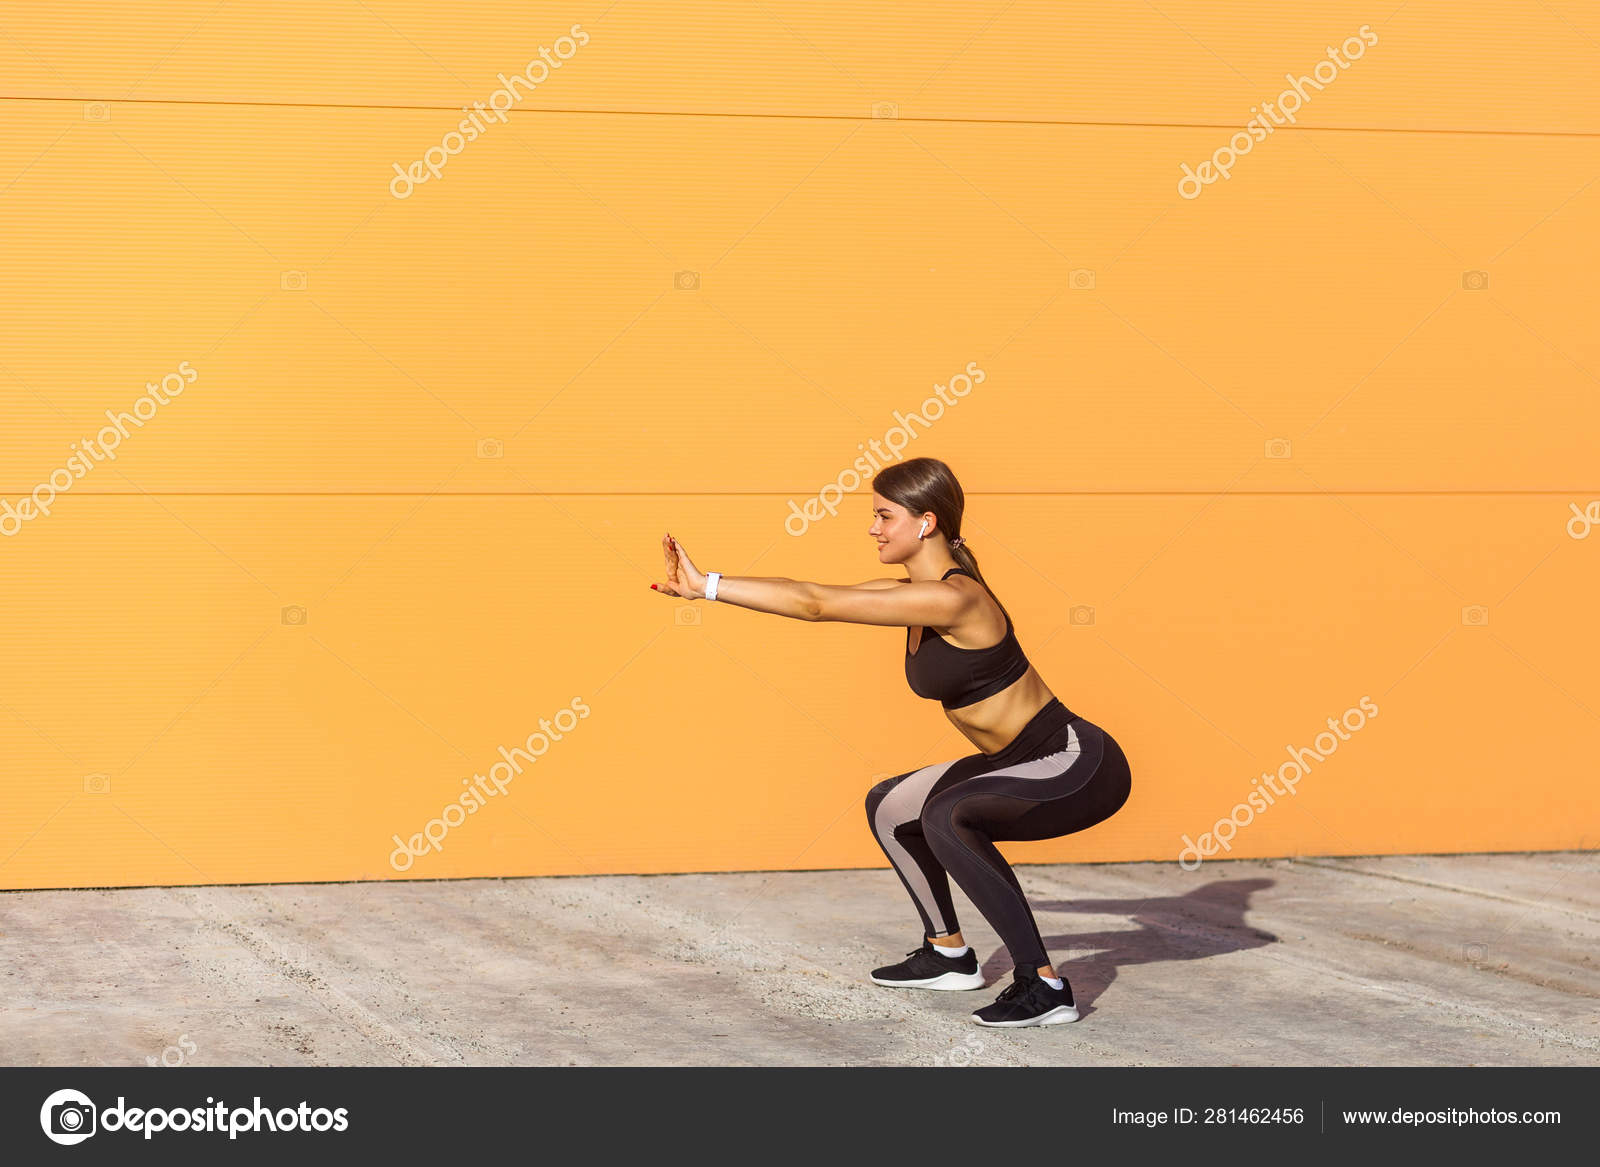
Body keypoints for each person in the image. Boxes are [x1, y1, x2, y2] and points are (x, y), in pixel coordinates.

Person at [652, 456, 1132, 1027]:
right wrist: (705, 586)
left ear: (925, 522)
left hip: (1074, 761)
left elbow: (816, 605)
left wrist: (709, 587)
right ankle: (949, 953)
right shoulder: (915, 596)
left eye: (884, 515)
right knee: (891, 805)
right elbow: (807, 592)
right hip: (1013, 759)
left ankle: (1044, 986)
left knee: (947, 815)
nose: (873, 527)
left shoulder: (955, 599)